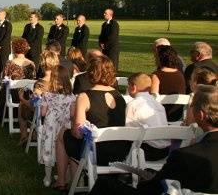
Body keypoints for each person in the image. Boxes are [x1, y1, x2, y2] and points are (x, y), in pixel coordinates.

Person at [90, 85, 218, 194]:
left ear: (201, 115)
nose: (190, 108)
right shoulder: (190, 153)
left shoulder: (186, 156)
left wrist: (144, 182)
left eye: (192, 105)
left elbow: (153, 189)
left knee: (104, 185)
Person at [55, 55, 129, 191]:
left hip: (96, 152)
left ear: (90, 73)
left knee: (63, 135)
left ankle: (61, 181)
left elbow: (77, 133)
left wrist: (72, 120)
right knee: (72, 139)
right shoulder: (120, 97)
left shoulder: (84, 97)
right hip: (119, 152)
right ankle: (75, 180)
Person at [38, 66, 76, 186]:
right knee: (64, 150)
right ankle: (63, 175)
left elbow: (43, 113)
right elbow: (72, 114)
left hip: (50, 127)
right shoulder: (72, 97)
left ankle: (47, 178)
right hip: (64, 127)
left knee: (48, 149)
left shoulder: (47, 95)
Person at [125, 72, 170, 161]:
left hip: (147, 151)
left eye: (128, 86)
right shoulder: (158, 104)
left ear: (133, 87)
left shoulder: (132, 105)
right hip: (165, 150)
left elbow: (129, 132)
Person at [17, 50, 58, 144]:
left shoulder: (40, 84)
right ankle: (34, 134)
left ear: (42, 65)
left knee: (22, 105)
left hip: (44, 115)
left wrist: (21, 98)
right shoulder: (60, 82)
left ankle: (24, 135)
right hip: (58, 115)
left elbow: (33, 105)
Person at [0, 38, 36, 123]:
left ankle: (2, 115)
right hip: (26, 96)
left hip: (12, 95)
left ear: (14, 49)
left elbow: (4, 78)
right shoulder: (32, 64)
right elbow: (33, 79)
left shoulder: (10, 63)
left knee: (3, 87)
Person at [151, 45, 186, 122]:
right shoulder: (180, 74)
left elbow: (153, 97)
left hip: (161, 115)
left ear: (160, 59)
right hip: (177, 114)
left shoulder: (156, 75)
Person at [0, 10, 12, 84]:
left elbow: (6, 37)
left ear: (4, 15)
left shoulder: (8, 24)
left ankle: (4, 81)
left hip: (4, 49)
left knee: (3, 65)